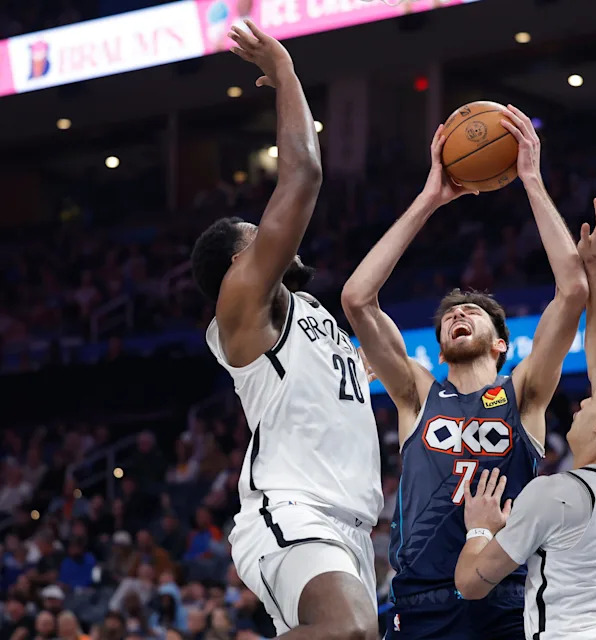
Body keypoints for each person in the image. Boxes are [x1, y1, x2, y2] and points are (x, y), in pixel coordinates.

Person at [342, 106, 589, 639]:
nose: (457, 313)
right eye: (449, 314)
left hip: (506, 595)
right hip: (421, 600)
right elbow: (357, 299)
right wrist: (430, 198)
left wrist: (530, 179)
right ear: (438, 345)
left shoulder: (523, 394)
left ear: (501, 343)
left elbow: (573, 292)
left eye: (472, 311)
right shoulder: (414, 393)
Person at [191, 20, 381, 640]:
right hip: (290, 510)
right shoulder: (243, 306)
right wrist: (285, 74)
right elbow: (303, 176)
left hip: (351, 524)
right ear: (236, 267)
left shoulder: (312, 318)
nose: (274, 233)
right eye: (258, 232)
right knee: (348, 632)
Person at [451, 194, 596, 639]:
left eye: (592, 403)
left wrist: (479, 527)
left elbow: (471, 583)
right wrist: (595, 269)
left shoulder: (555, 495)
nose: (581, 403)